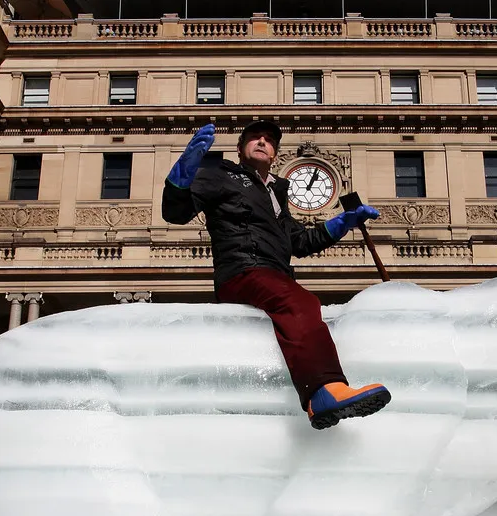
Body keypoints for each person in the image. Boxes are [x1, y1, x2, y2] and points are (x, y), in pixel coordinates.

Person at [161, 122, 390, 429]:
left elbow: (299, 241)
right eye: (254, 137)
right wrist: (181, 175)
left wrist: (342, 223)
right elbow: (175, 213)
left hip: (272, 276)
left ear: (274, 154)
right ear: (241, 148)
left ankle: (324, 392)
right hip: (241, 271)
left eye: (269, 140)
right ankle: (325, 390)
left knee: (298, 300)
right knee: (299, 301)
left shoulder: (275, 193)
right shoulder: (221, 175)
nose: (262, 141)